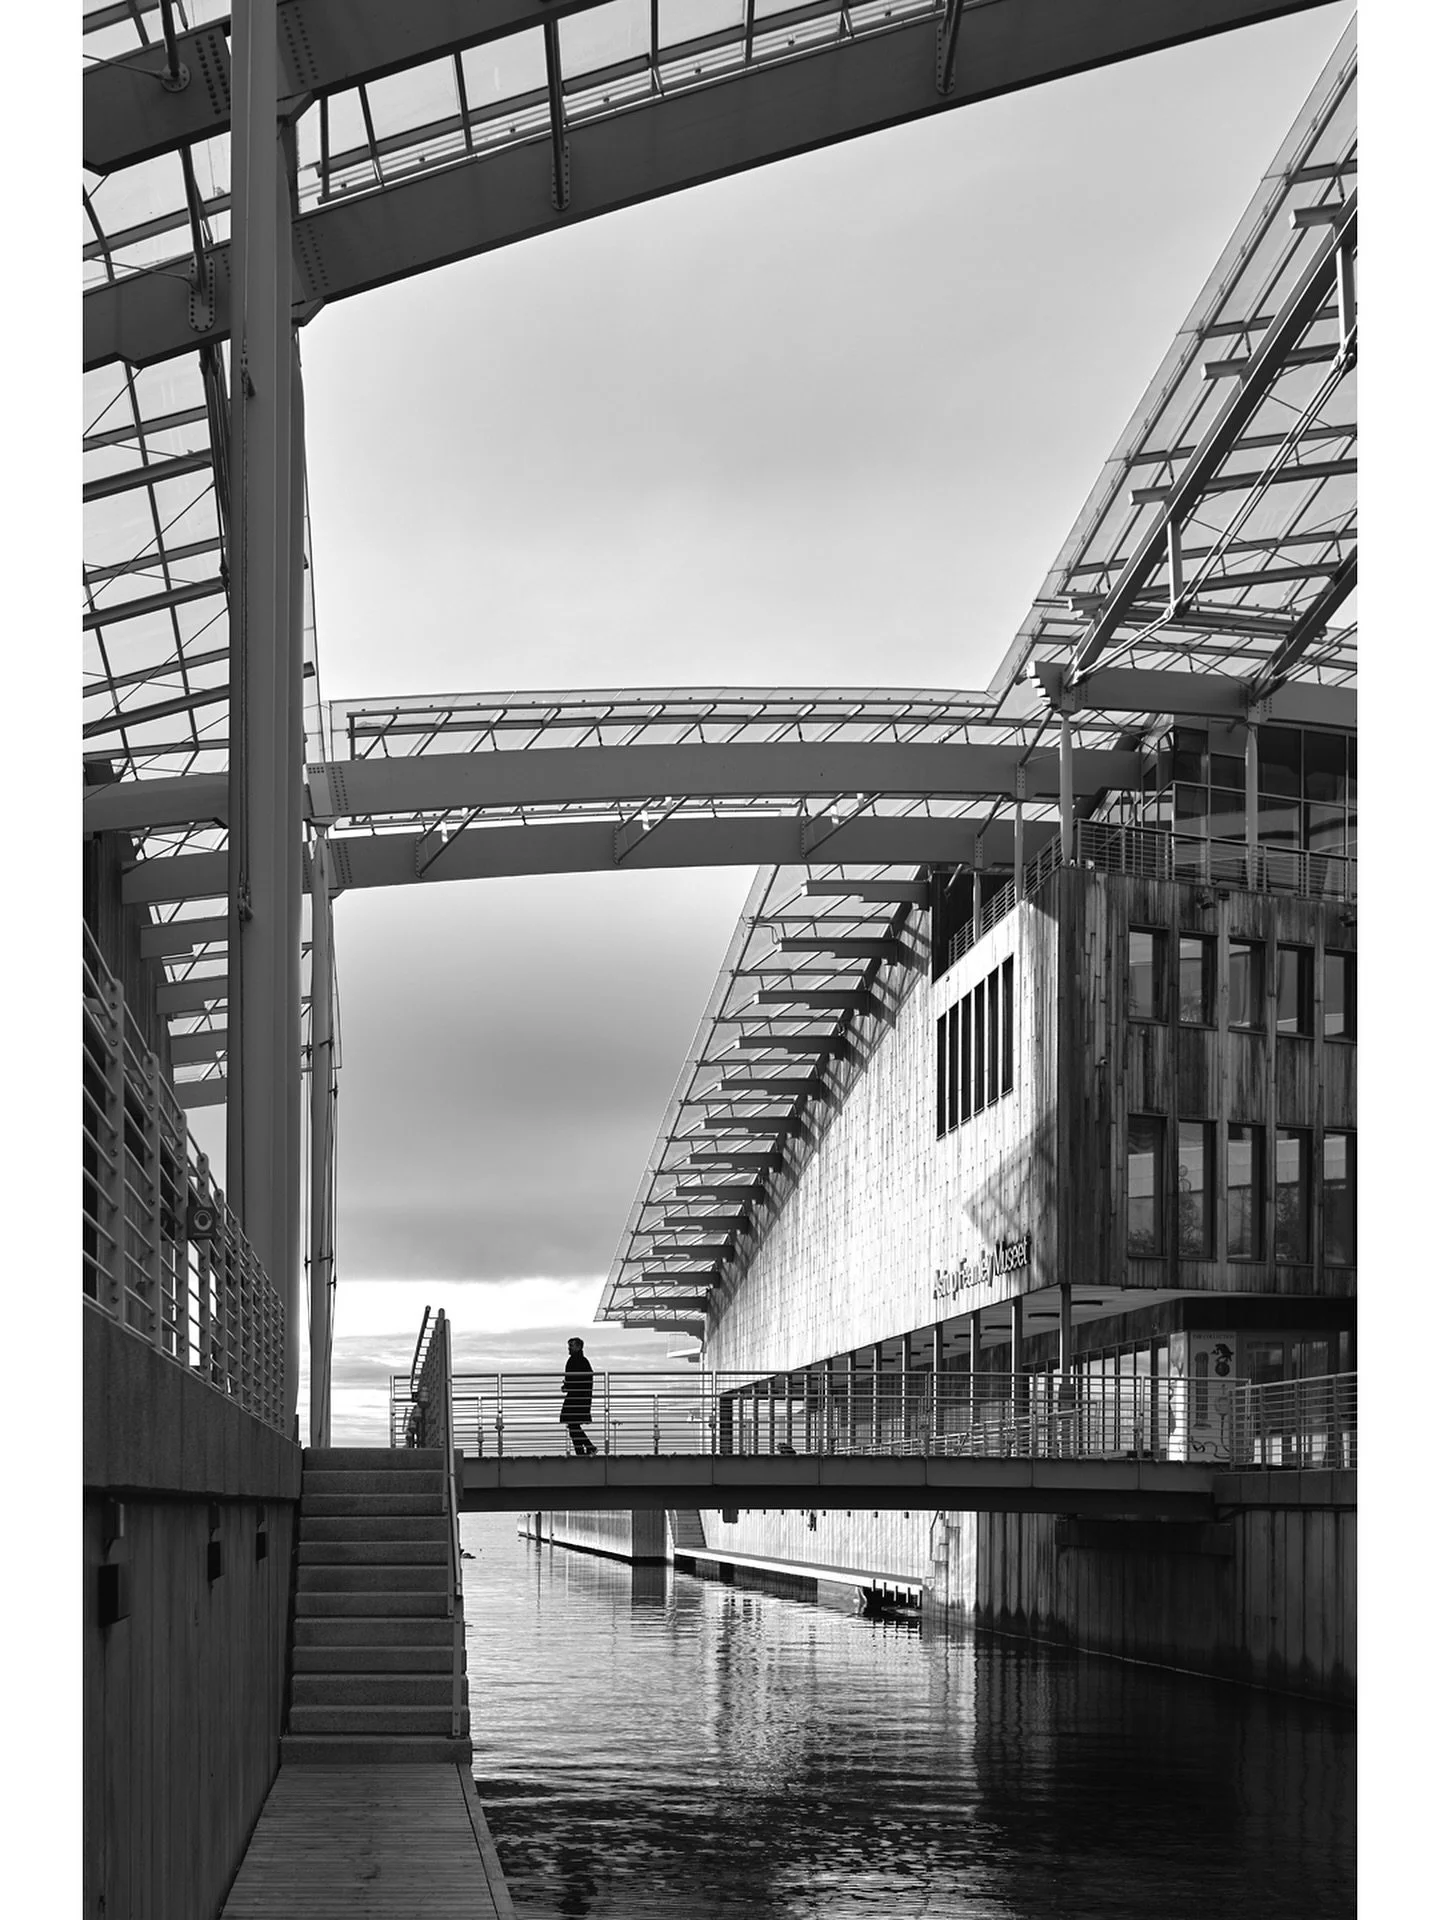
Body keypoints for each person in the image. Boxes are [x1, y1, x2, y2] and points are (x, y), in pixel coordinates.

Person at [560, 1336, 597, 1455]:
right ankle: (583, 1450)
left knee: (572, 1425)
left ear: (578, 1347)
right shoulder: (583, 1361)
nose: (569, 1348)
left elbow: (574, 1379)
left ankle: (586, 1449)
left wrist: (566, 1386)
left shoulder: (575, 1361)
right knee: (573, 1425)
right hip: (581, 1398)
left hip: (576, 1398)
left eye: (571, 1346)